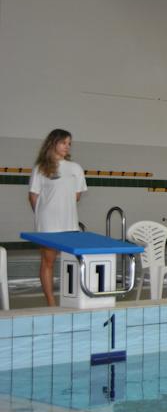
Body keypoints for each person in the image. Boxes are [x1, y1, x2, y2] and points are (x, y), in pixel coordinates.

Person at [28, 129, 87, 307]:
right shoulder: (41, 168)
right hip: (48, 224)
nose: (67, 146)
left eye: (69, 143)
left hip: (69, 223)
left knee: (72, 262)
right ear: (53, 143)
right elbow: (33, 196)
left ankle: (72, 299)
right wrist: (43, 215)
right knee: (48, 261)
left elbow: (77, 196)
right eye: (63, 143)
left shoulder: (75, 168)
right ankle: (51, 304)